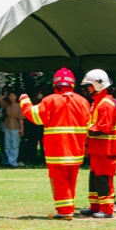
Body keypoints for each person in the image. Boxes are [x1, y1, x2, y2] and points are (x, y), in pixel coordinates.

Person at [19, 68, 89, 220]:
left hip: (57, 150)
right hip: (76, 150)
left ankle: (64, 212)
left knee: (59, 180)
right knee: (71, 181)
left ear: (55, 83)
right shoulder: (83, 101)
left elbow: (34, 116)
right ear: (73, 84)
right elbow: (89, 124)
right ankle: (68, 209)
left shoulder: (50, 100)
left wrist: (24, 100)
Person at [80, 69, 116, 219]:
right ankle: (95, 206)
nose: (87, 89)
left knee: (104, 178)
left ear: (98, 84)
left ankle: (107, 209)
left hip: (106, 149)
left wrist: (84, 128)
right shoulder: (98, 102)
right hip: (98, 149)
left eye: (89, 85)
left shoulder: (105, 104)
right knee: (95, 178)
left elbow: (103, 129)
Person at [3, 91, 24, 168]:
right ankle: (9, 161)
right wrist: (4, 96)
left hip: (16, 126)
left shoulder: (19, 106)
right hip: (7, 126)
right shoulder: (7, 105)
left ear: (16, 97)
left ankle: (13, 162)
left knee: (15, 145)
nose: (12, 98)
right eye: (10, 96)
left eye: (13, 96)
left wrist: (22, 128)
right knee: (7, 144)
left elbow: (21, 118)